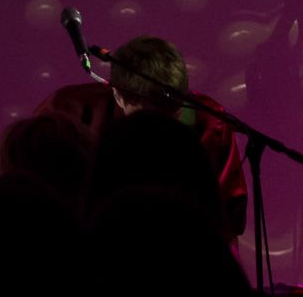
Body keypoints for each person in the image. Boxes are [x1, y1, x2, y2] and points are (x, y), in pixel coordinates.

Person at [107, 33, 249, 239]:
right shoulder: (86, 120)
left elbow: (231, 216)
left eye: (172, 113)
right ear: (118, 96)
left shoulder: (211, 123)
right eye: (150, 120)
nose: (163, 129)